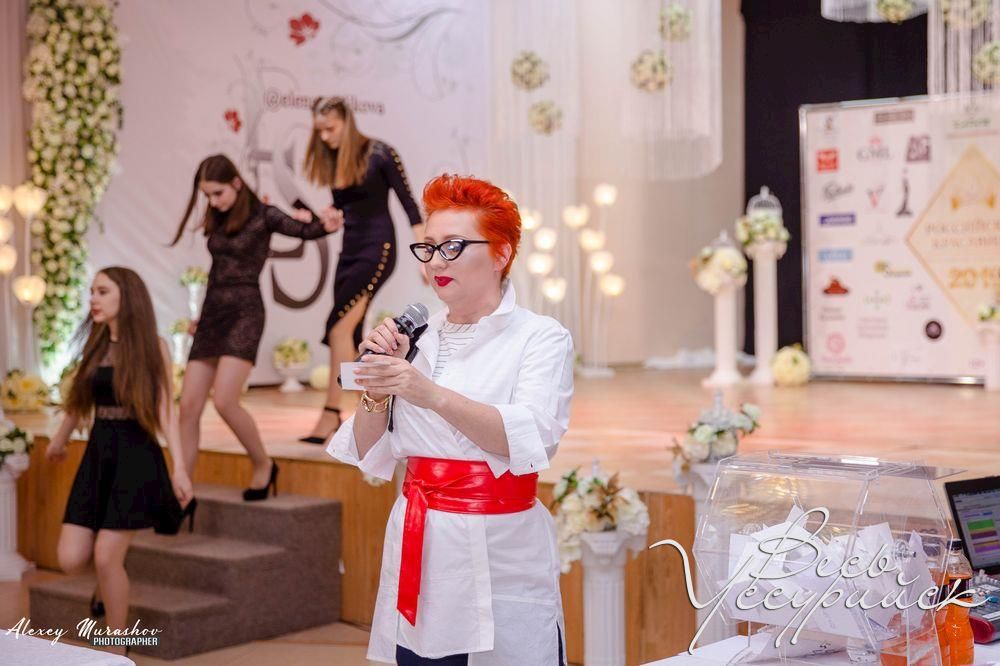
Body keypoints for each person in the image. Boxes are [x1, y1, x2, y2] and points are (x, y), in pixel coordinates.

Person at [328, 174, 574, 665]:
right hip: (420, 536)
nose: (436, 262)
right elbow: (367, 448)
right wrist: (377, 389)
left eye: (453, 247)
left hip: (499, 545)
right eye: (428, 248)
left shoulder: (540, 337)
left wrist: (429, 393)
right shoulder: (417, 336)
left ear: (501, 254)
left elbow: (530, 438)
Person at [171, 154, 342, 499]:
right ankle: (181, 489)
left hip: (245, 313)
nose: (212, 201)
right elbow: (217, 271)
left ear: (236, 183)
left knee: (225, 401)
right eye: (207, 195)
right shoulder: (218, 216)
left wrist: (327, 222)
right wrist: (203, 317)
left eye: (217, 193)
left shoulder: (265, 215)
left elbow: (306, 231)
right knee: (187, 406)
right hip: (213, 314)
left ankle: (263, 464)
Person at [46, 267, 192, 655]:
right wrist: (58, 441)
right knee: (70, 559)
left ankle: (117, 650)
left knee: (107, 556)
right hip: (98, 454)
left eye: (102, 291)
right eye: (92, 291)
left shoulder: (153, 346)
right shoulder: (94, 344)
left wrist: (179, 468)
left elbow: (165, 410)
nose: (93, 299)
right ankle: (104, 581)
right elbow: (78, 403)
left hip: (135, 456)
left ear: (126, 296)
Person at [299, 96, 424, 444]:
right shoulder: (334, 159)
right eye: (320, 131)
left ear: (346, 121)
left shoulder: (380, 153)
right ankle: (367, 414)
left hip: (377, 248)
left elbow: (409, 205)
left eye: (330, 128)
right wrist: (328, 216)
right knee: (350, 333)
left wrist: (425, 255)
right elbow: (345, 208)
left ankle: (331, 412)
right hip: (349, 249)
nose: (325, 137)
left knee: (339, 329)